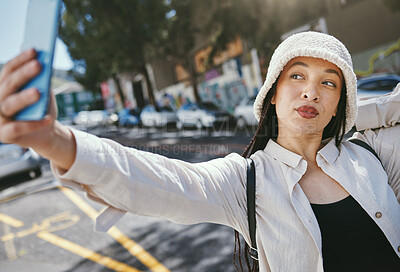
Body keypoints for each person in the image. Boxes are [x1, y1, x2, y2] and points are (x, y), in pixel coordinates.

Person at [0, 31, 399, 272]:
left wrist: (353, 115)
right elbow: (158, 179)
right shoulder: (247, 179)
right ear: (273, 92)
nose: (311, 91)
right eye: (297, 76)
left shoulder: (371, 153)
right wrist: (54, 140)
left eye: (329, 83)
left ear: (341, 100)